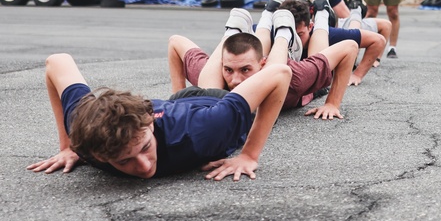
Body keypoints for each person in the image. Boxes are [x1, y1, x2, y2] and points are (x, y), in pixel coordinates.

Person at [28, 52, 291, 181]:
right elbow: (57, 61)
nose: (142, 166)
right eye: (124, 161)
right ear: (98, 156)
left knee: (275, 89)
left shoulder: (205, 130)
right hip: (174, 104)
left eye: (144, 147)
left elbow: (279, 74)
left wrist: (249, 155)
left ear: (149, 123)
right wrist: (69, 148)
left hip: (211, 102)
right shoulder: (84, 133)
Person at [168, 2, 360, 118]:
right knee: (208, 91)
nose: (235, 81)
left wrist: (332, 103)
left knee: (312, 57)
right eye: (228, 70)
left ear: (263, 64)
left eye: (245, 70)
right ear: (222, 65)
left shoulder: (296, 79)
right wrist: (180, 100)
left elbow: (349, 47)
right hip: (247, 61)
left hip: (284, 70)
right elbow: (175, 41)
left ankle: (298, 26)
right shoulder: (214, 73)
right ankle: (247, 27)